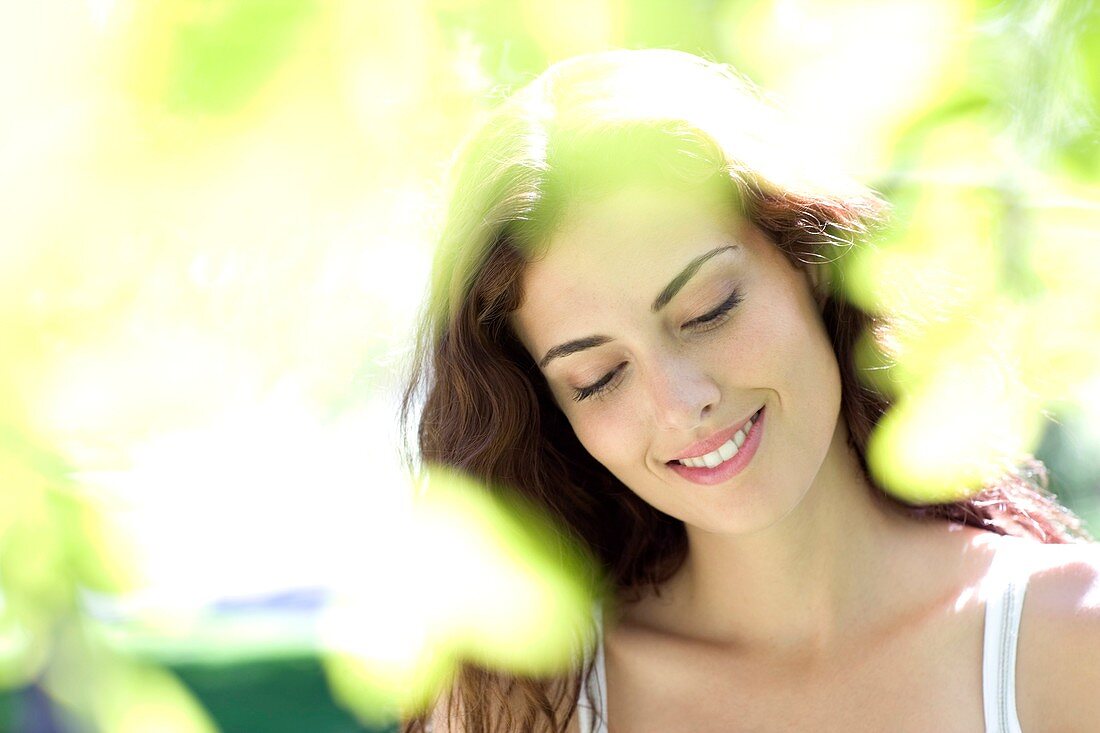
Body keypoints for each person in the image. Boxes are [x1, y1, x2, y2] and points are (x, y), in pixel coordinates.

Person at [400, 49, 1100, 732]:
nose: (681, 401)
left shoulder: (1071, 637)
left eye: (709, 309)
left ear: (812, 260)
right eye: (598, 378)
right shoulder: (518, 707)